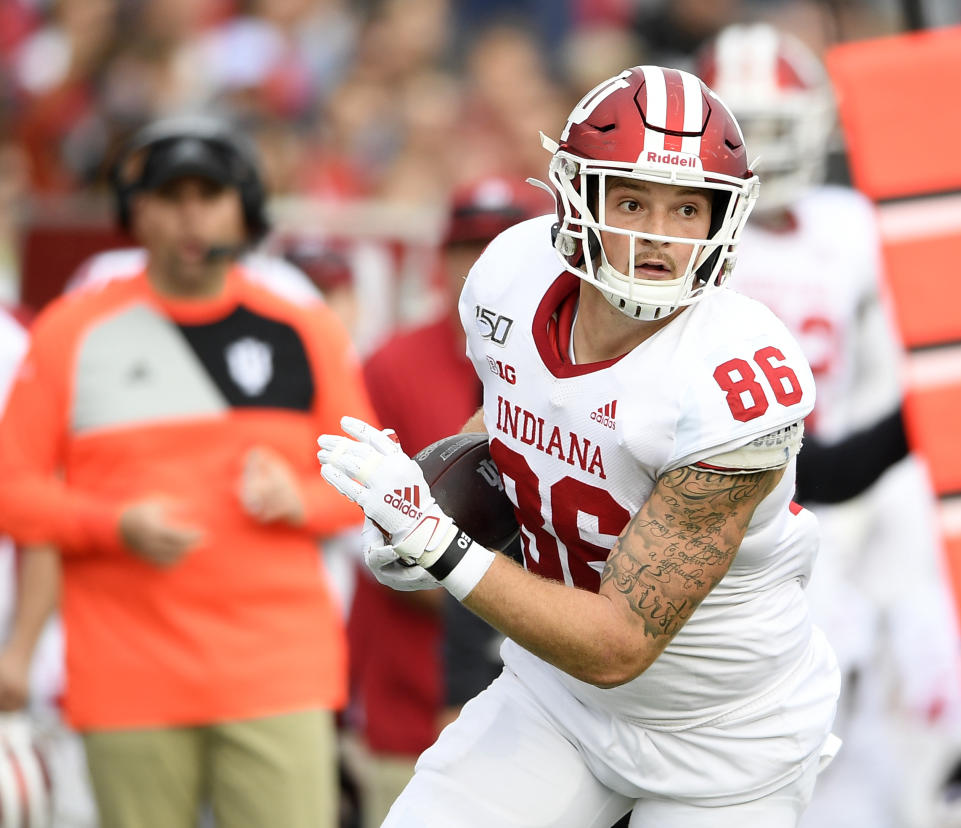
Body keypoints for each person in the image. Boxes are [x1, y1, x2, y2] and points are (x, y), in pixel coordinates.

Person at [318, 65, 842, 827]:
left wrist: (440, 546)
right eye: (631, 201)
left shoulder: (733, 380)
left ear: (725, 219)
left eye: (687, 209)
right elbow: (507, 417)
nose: (657, 237)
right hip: (557, 698)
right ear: (577, 199)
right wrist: (430, 503)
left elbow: (619, 644)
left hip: (726, 736)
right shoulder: (509, 275)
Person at [0, 115, 375, 828]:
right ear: (135, 211)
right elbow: (12, 492)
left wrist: (294, 496)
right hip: (128, 678)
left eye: (211, 193)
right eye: (171, 196)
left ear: (247, 208)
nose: (191, 214)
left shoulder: (304, 329)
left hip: (278, 675)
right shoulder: (71, 332)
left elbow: (370, 491)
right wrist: (112, 525)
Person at [700, 23, 961, 828]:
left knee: (859, 730)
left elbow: (889, 374)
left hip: (835, 498)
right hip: (729, 495)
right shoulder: (689, 233)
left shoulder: (851, 227)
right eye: (750, 133)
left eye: (781, 128)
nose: (769, 152)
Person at [344, 175, 547, 828]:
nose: (485, 261)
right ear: (442, 256)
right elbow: (364, 524)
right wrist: (487, 594)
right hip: (418, 678)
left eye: (502, 242)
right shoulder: (392, 364)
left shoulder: (570, 365)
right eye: (468, 245)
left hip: (554, 684)